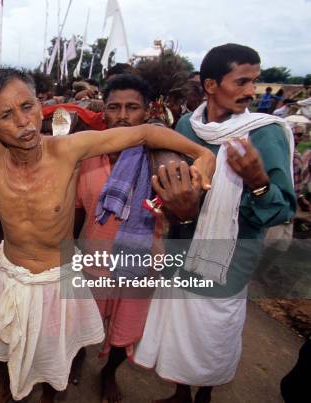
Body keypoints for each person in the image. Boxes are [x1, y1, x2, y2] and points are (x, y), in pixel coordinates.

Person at [0, 67, 216, 402]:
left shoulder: (68, 149)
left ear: (39, 106)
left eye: (28, 106)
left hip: (57, 280)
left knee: (56, 365)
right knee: (4, 352)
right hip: (10, 278)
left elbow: (146, 134)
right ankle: (5, 389)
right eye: (7, 114)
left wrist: (203, 155)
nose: (24, 121)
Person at [133, 43, 296, 403]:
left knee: (213, 333)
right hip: (183, 246)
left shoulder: (264, 133)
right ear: (210, 85)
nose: (251, 91)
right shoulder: (187, 128)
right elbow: (169, 184)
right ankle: (179, 394)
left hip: (229, 261)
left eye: (254, 82)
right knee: (180, 329)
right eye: (241, 82)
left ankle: (204, 395)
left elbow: (282, 209)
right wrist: (171, 204)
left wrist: (258, 182)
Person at [74, 73, 202, 403]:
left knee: (123, 330)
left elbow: (180, 215)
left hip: (140, 265)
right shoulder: (86, 156)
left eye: (132, 107)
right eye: (114, 107)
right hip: (92, 262)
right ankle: (75, 357)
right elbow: (75, 213)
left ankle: (108, 373)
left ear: (147, 112)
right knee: (78, 325)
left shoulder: (163, 160)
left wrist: (184, 208)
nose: (123, 116)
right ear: (104, 112)